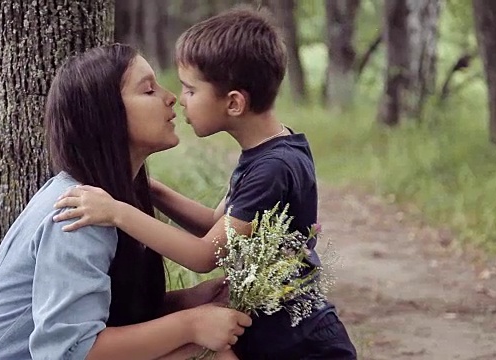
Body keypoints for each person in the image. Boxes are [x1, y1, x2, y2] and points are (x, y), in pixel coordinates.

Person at [52, 6, 358, 360]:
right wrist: (153, 190)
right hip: (271, 329)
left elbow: (205, 254)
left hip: (299, 340)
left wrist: (119, 212)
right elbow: (217, 227)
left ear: (233, 103)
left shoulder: (272, 168)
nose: (179, 99)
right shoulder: (268, 152)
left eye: (190, 90)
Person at [0, 44, 251, 360]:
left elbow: (109, 315)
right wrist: (190, 324)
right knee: (205, 351)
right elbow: (70, 352)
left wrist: (189, 300)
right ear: (106, 116)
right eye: (148, 90)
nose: (170, 97)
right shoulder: (78, 213)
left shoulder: (111, 202)